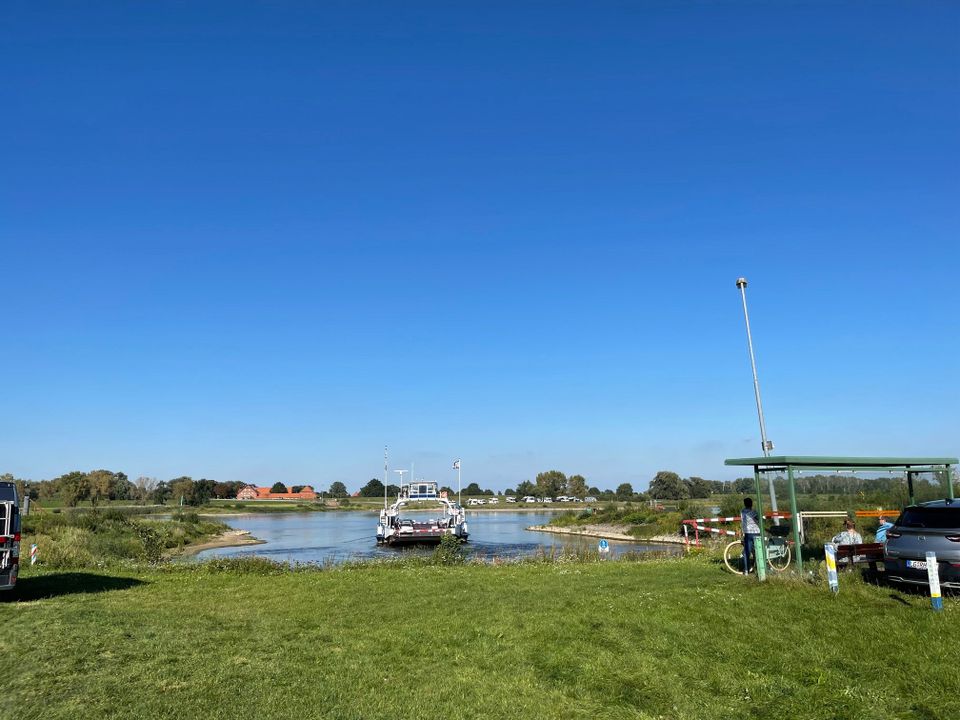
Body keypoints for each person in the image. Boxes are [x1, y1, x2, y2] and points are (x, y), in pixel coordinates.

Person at [740, 497, 761, 574]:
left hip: (747, 533)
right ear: (751, 504)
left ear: (744, 504)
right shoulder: (754, 512)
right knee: (757, 551)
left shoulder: (742, 512)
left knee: (747, 552)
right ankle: (758, 568)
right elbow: (759, 519)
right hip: (756, 532)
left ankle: (746, 570)